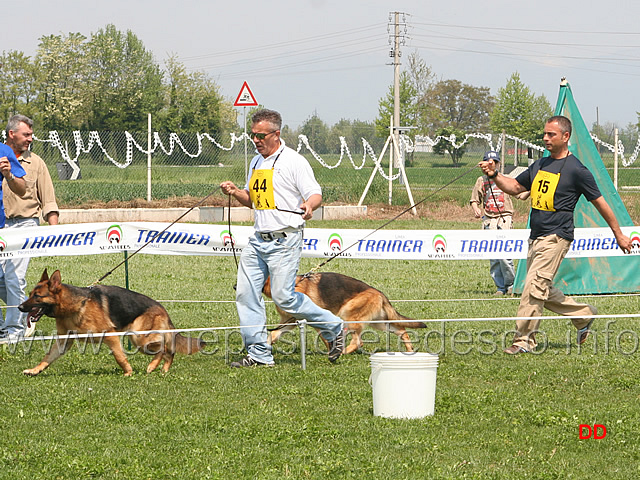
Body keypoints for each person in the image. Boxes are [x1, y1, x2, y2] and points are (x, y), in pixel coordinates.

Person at [478, 115, 632, 355]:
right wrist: (494, 175)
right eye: (545, 134)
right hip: (536, 236)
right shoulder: (540, 165)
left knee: (533, 286)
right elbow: (515, 187)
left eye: (551, 134)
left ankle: (523, 341)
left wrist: (618, 234)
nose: (546, 138)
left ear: (565, 137)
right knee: (540, 289)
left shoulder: (578, 170)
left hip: (557, 237)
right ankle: (583, 314)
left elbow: (601, 203)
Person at [220, 109, 344, 367]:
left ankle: (334, 327)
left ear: (276, 134)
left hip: (285, 240)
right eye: (252, 135)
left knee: (284, 297)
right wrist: (235, 192)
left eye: (261, 135)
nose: (256, 140)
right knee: (245, 293)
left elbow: (315, 194)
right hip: (258, 241)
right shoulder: (256, 162)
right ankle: (259, 354)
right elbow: (253, 200)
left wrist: (309, 206)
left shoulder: (294, 161)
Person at [0, 115, 59, 343]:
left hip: (26, 224)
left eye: (31, 135)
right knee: (3, 280)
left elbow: (49, 199)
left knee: (15, 277)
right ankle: (28, 309)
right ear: (11, 134)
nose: (30, 139)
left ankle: (13, 330)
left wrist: (54, 232)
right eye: (26, 134)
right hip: (2, 225)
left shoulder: (36, 163)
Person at [470, 151, 517, 296]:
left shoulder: (506, 178)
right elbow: (474, 199)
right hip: (489, 219)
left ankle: (511, 285)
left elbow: (518, 191)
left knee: (505, 255)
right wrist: (476, 208)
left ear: (498, 164)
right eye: (488, 163)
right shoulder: (481, 180)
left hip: (504, 219)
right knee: (494, 256)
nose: (492, 165)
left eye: (494, 163)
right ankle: (500, 287)